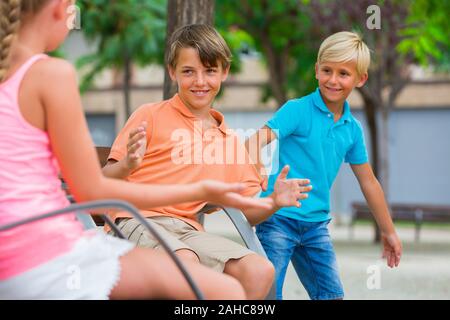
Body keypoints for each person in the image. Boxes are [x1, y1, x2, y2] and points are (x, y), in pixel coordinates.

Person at [0, 0, 277, 300]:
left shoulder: (29, 73)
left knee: (236, 281)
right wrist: (198, 190)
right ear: (58, 8)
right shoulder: (52, 75)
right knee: (208, 283)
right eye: (73, 8)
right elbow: (92, 191)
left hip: (32, 251)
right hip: (48, 254)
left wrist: (270, 199)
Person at [102, 24, 312, 300]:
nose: (200, 81)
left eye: (210, 71)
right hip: (135, 220)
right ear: (172, 72)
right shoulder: (149, 115)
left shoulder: (230, 142)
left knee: (259, 270)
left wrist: (273, 201)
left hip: (187, 231)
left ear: (224, 72)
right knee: (185, 262)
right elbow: (103, 179)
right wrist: (127, 164)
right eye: (188, 71)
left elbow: (248, 213)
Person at [246, 31, 403, 300]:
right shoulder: (297, 109)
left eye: (343, 73)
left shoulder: (352, 130)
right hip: (278, 220)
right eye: (327, 70)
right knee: (267, 295)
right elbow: (254, 141)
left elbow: (369, 182)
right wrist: (258, 172)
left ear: (360, 79)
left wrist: (388, 231)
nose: (333, 79)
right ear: (316, 70)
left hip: (316, 226)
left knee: (331, 296)